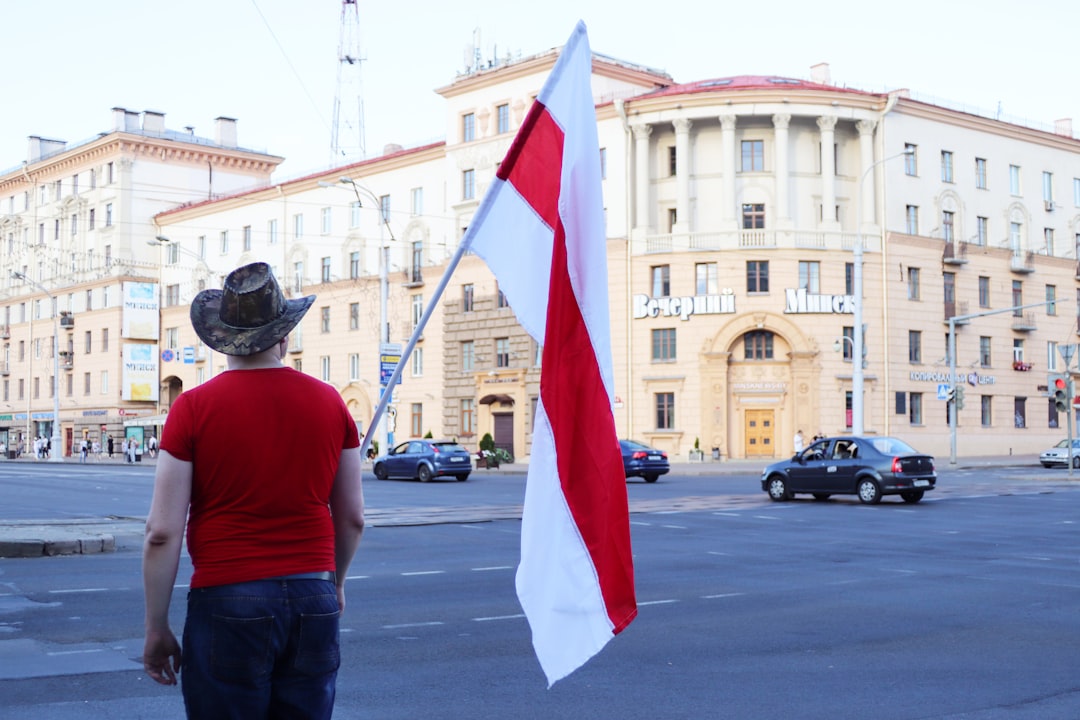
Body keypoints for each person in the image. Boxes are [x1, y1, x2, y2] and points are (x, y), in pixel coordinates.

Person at [142, 262, 365, 719]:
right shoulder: (330, 402)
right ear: (284, 337)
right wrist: (335, 583)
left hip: (227, 597)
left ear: (221, 340)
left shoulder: (192, 408)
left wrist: (156, 626)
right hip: (313, 595)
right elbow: (352, 518)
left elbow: (162, 532)